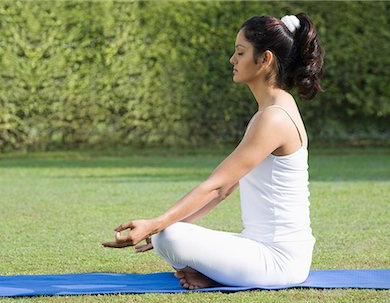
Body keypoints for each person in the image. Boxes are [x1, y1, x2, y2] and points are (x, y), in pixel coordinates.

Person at [103, 13, 324, 290]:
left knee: (167, 237)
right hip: (260, 247)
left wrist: (155, 225)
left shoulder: (274, 117)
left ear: (265, 59)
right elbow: (226, 188)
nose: (233, 59)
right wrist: (161, 226)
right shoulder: (275, 108)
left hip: (279, 261)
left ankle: (213, 274)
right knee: (167, 233)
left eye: (240, 52)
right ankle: (211, 275)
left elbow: (216, 185)